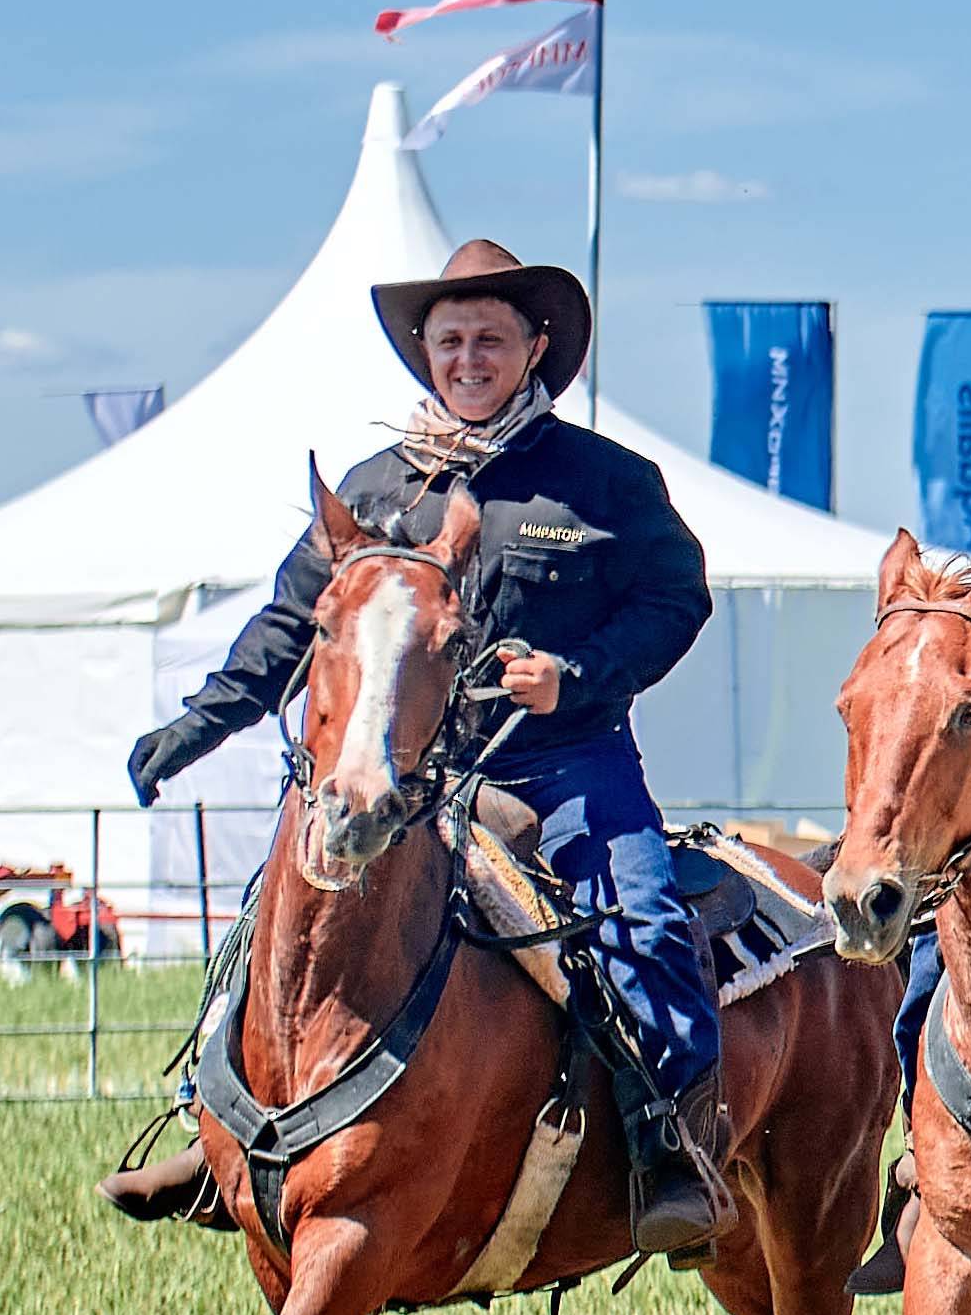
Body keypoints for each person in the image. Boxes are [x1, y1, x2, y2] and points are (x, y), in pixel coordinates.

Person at [111, 240, 730, 1255]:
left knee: (645, 922)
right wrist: (201, 721)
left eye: (491, 339)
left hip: (565, 762)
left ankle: (669, 1146)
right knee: (278, 922)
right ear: (426, 354)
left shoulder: (605, 482)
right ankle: (216, 1125)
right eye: (450, 341)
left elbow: (676, 599)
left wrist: (576, 674)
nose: (469, 358)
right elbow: (292, 621)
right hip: (405, 781)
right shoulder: (373, 490)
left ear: (536, 347)